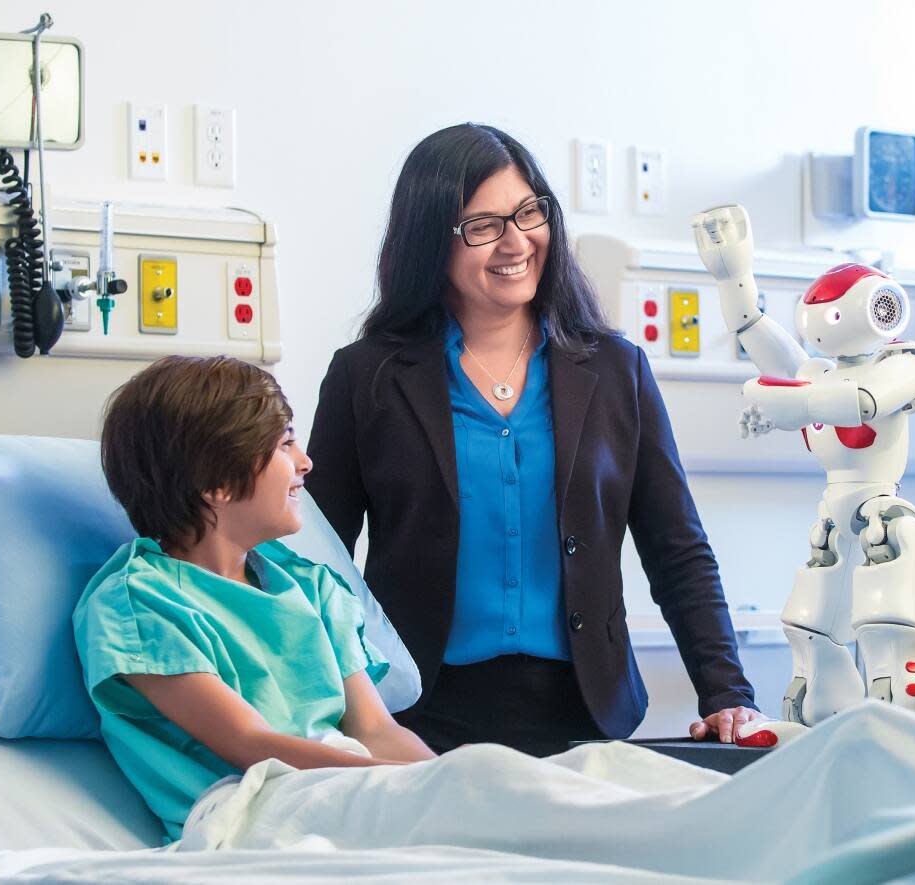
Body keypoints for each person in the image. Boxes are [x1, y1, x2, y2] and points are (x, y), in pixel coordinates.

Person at [305, 123, 763, 755]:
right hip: (420, 719)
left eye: (528, 212)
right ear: (429, 240)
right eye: (482, 225)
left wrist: (727, 695)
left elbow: (677, 548)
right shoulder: (368, 376)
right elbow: (317, 563)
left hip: (586, 716)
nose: (516, 241)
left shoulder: (613, 370)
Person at [73, 355, 435, 839]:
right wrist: (397, 787)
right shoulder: (140, 602)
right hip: (244, 807)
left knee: (531, 788)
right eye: (285, 443)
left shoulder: (312, 586)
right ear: (216, 481)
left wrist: (446, 783)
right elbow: (248, 743)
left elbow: (375, 730)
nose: (305, 462)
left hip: (348, 784)